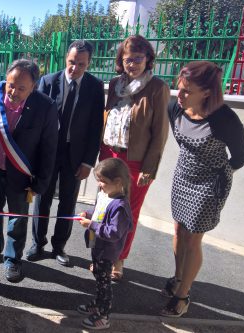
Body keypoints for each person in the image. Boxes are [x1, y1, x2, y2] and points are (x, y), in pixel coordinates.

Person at [160, 61, 244, 317]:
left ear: (207, 92)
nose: (181, 95)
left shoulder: (225, 119)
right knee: (178, 228)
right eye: (180, 88)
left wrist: (223, 172)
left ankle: (183, 294)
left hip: (211, 184)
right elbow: (181, 140)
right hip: (183, 176)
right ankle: (178, 276)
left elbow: (241, 155)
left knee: (193, 237)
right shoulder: (174, 107)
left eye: (188, 91)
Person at [0, 59, 58, 282]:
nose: (13, 91)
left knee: (18, 216)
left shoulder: (45, 106)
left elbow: (49, 147)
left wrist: (41, 180)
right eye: (11, 84)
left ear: (34, 86)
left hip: (21, 173)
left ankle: (13, 259)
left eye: (22, 88)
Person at [28, 40, 105, 266]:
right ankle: (38, 243)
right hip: (48, 152)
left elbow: (95, 128)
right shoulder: (48, 81)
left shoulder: (95, 86)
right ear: (66, 59)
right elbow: (35, 121)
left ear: (89, 63)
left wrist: (88, 162)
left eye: (81, 64)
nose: (75, 68)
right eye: (72, 62)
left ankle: (58, 246)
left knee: (68, 202)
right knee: (42, 199)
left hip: (76, 155)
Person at [100, 35, 170, 280]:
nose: (132, 64)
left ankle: (119, 259)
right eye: (128, 59)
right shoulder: (115, 84)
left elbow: (160, 133)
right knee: (106, 208)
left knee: (127, 212)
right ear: (121, 60)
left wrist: (149, 168)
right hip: (109, 154)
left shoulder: (157, 88)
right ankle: (103, 256)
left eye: (138, 59)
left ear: (148, 59)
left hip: (136, 162)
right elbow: (106, 119)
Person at [76, 158, 132, 330]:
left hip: (107, 252)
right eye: (98, 180)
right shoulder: (105, 195)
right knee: (99, 278)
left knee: (104, 282)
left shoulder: (120, 207)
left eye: (103, 181)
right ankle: (98, 304)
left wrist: (91, 225)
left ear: (117, 182)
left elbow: (114, 232)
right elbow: (99, 209)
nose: (99, 185)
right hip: (98, 246)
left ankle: (104, 315)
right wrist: (88, 213)